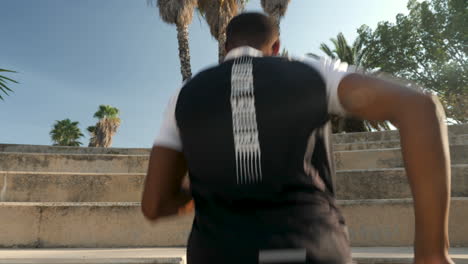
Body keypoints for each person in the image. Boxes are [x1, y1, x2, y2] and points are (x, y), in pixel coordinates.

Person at [142, 12, 453, 264]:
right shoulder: (314, 74)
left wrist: (210, 184)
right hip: (314, 249)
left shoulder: (184, 95)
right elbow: (419, 106)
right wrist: (431, 254)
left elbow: (154, 204)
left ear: (226, 48)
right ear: (276, 48)